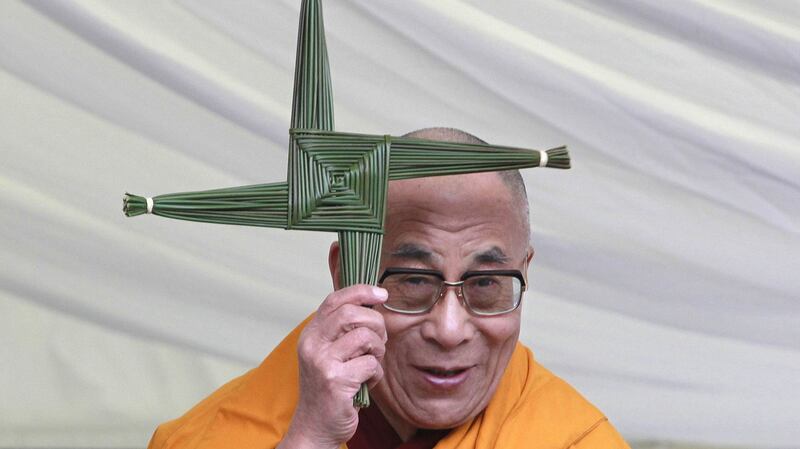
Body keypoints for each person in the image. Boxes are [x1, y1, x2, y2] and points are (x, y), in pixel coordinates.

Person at [148, 128, 631, 449]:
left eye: (486, 283)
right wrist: (309, 438)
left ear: (525, 272)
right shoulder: (209, 436)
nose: (448, 330)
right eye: (414, 281)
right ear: (345, 275)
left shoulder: (575, 440)